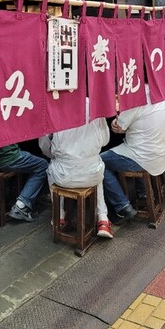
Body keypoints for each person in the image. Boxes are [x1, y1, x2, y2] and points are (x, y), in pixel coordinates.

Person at [39, 98, 113, 238]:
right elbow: (105, 140)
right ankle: (103, 219)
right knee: (98, 172)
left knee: (51, 168)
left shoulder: (52, 107)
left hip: (63, 177)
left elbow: (44, 146)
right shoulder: (94, 104)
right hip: (92, 174)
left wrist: (57, 155)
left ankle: (59, 215)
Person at [100, 85, 165, 224]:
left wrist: (115, 121)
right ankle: (144, 193)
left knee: (99, 162)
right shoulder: (157, 93)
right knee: (137, 145)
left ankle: (122, 206)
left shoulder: (134, 98)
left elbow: (119, 128)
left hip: (142, 157)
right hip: (161, 153)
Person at [0, 82, 48, 222]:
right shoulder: (11, 101)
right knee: (43, 165)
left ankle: (15, 197)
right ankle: (22, 205)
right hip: (5, 157)